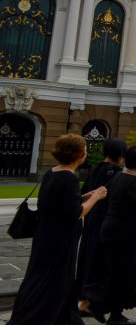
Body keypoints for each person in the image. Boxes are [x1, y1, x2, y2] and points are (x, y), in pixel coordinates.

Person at [7, 134, 107, 325]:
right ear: (78, 154)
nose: (86, 151)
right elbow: (74, 213)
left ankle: (66, 318)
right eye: (85, 148)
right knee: (53, 280)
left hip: (46, 235)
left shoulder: (52, 172)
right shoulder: (69, 177)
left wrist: (84, 195)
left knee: (50, 278)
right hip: (60, 240)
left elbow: (57, 203)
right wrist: (96, 197)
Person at [90, 145, 136, 325]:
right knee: (125, 273)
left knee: (114, 272)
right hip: (125, 235)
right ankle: (113, 314)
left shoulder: (119, 177)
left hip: (111, 229)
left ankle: (106, 309)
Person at [78, 138, 127, 316]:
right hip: (107, 222)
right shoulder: (116, 172)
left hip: (91, 219)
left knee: (88, 259)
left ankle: (84, 301)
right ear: (121, 155)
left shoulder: (95, 168)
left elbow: (83, 192)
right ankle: (96, 303)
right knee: (103, 263)